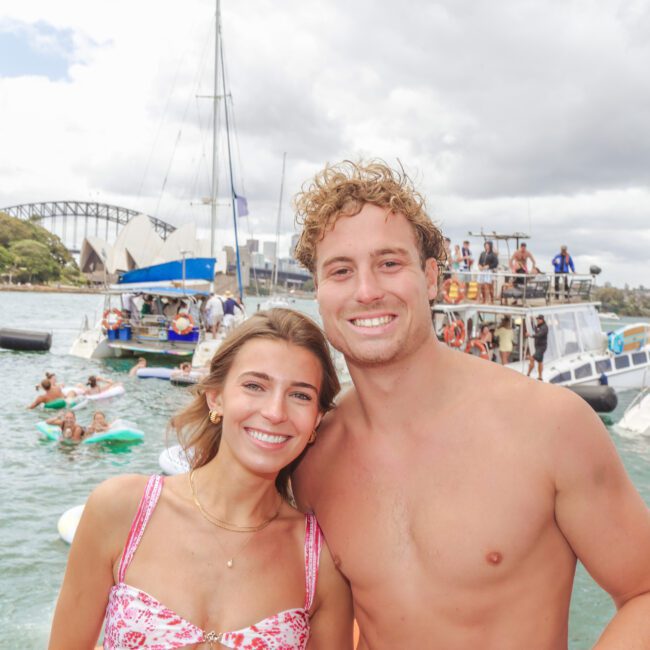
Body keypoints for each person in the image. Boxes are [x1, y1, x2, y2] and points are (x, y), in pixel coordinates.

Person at [292, 160, 650, 649]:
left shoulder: (548, 426)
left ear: (432, 278)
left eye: (390, 263)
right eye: (340, 270)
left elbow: (643, 592)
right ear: (318, 292)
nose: (367, 290)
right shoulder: (313, 458)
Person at [49, 309, 353, 650]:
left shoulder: (320, 560)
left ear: (317, 420)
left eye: (300, 395)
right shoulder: (122, 509)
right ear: (216, 395)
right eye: (255, 385)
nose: (275, 412)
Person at [527, 314, 549, 380]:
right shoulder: (538, 326)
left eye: (539, 319)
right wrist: (531, 320)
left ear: (542, 320)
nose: (538, 320)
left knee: (532, 358)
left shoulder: (544, 327)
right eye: (537, 319)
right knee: (540, 361)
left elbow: (539, 335)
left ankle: (528, 374)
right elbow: (534, 328)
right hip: (538, 346)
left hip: (542, 347)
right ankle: (540, 376)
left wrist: (530, 335)